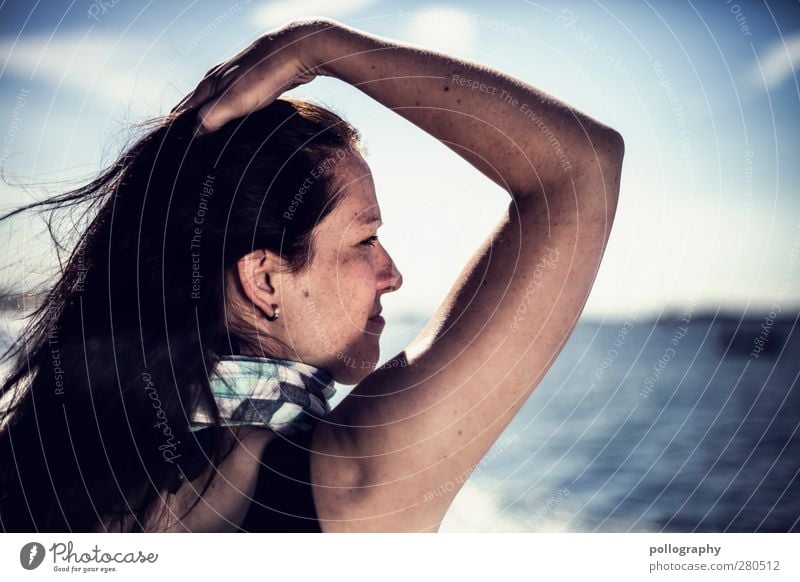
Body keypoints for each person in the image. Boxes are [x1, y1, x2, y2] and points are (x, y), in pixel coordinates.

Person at [0, 18, 623, 532]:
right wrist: (324, 47)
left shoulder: (41, 457)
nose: (392, 274)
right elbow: (582, 169)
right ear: (264, 279)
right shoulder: (350, 484)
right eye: (365, 239)